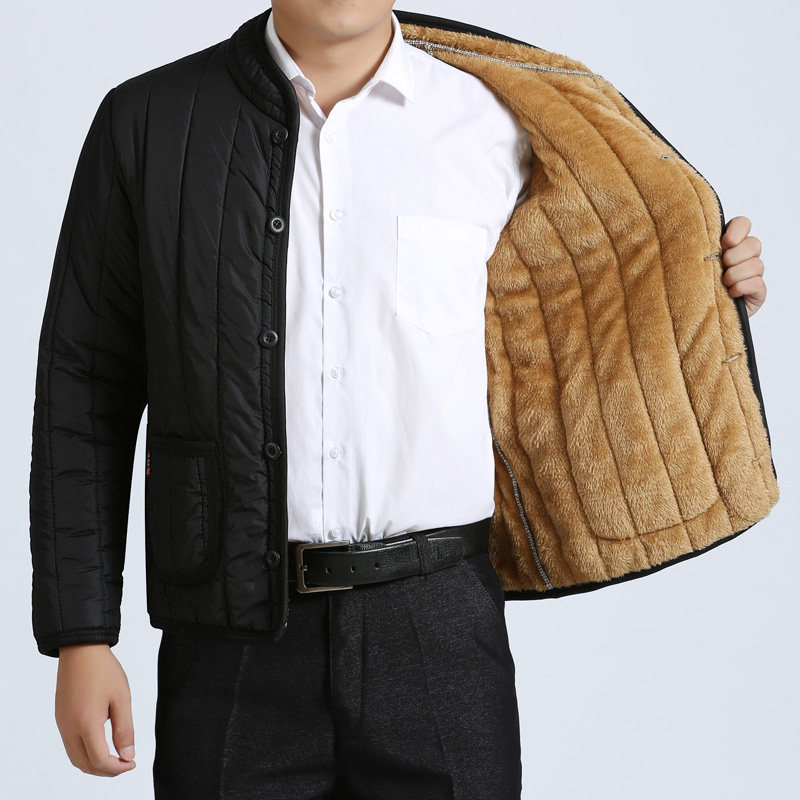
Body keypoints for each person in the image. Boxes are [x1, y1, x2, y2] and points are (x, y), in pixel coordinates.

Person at [29, 2, 774, 798]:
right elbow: (85, 383)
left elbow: (593, 296)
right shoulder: (150, 121)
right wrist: (82, 635)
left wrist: (708, 285)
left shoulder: (495, 122)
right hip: (230, 638)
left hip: (440, 624)